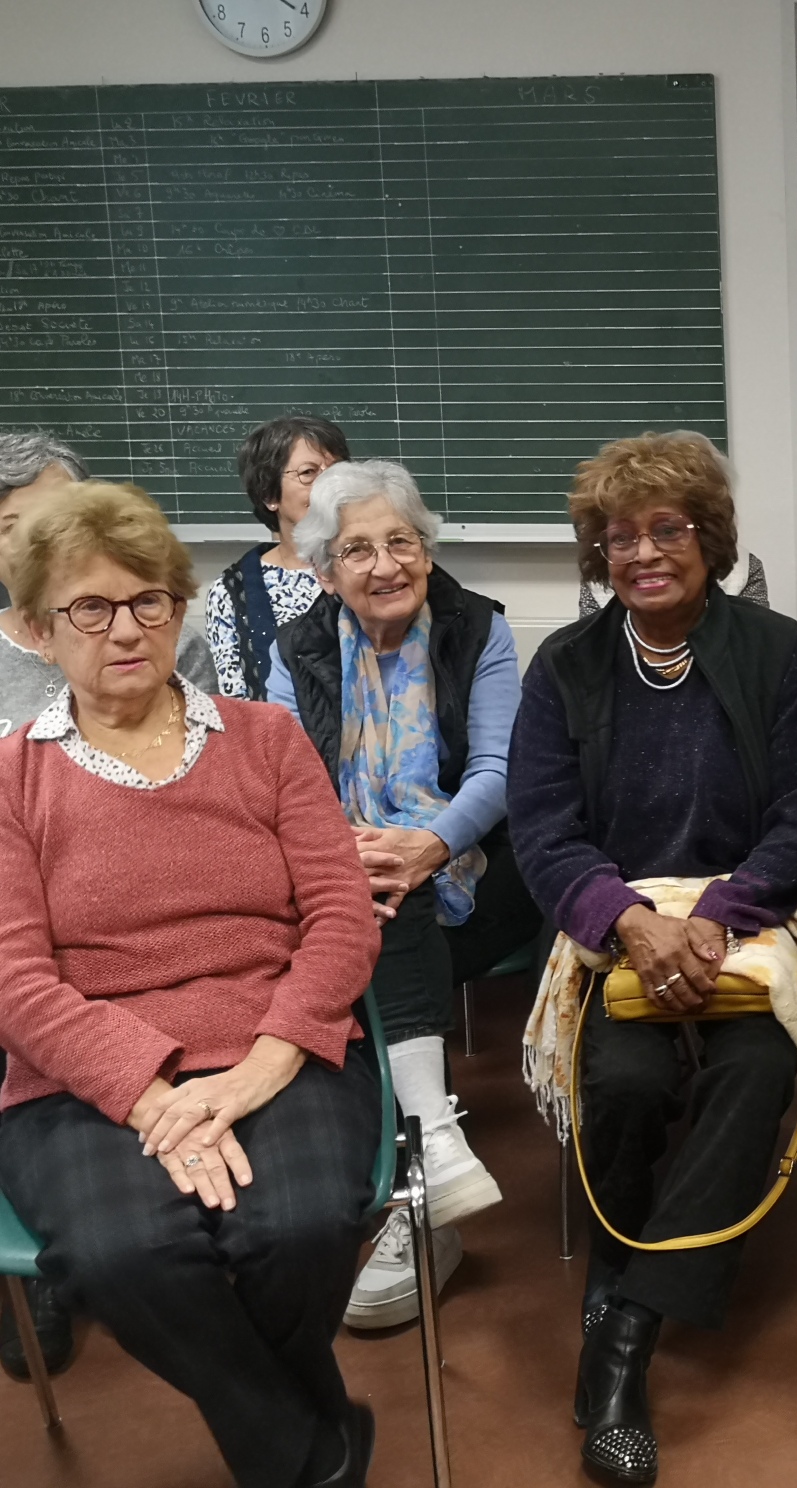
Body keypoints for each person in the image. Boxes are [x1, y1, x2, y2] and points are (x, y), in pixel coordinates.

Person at [0, 483, 380, 1488]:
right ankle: (314, 1451)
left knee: (299, 1230)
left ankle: (293, 1456)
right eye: (91, 608)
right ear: (37, 630)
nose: (127, 629)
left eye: (149, 600)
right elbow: (15, 981)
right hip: (82, 1075)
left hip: (275, 1042)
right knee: (125, 1254)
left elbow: (341, 917)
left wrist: (263, 1065)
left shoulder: (267, 739)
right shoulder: (10, 780)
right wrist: (151, 1096)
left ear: (178, 607)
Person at [507, 430, 797, 1485]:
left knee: (755, 1072)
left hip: (749, 919)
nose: (643, 552)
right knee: (625, 1079)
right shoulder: (565, 667)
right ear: (597, 554)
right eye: (620, 537)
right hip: (618, 930)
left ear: (711, 538)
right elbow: (543, 830)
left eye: (667, 529)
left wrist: (721, 914)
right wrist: (631, 924)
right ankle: (628, 1273)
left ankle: (623, 1327)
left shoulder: (776, 651)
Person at [265, 458, 529, 1329]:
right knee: (373, 902)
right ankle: (431, 1164)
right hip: (342, 877)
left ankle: (415, 1183)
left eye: (402, 542)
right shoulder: (294, 650)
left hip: (481, 871)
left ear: (426, 548)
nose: (386, 566)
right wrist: (352, 855)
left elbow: (499, 771)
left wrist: (430, 844)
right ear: (324, 570)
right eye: (358, 550)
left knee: (390, 902)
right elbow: (284, 786)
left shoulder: (479, 630)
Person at [0, 433, 217, 738]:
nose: (36, 540)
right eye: (12, 526)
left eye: (55, 519)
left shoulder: (169, 643)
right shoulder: (21, 761)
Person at [205, 415, 348, 701]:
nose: (328, 485)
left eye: (337, 471)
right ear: (270, 494)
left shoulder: (374, 566)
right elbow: (238, 704)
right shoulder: (232, 592)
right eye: (309, 473)